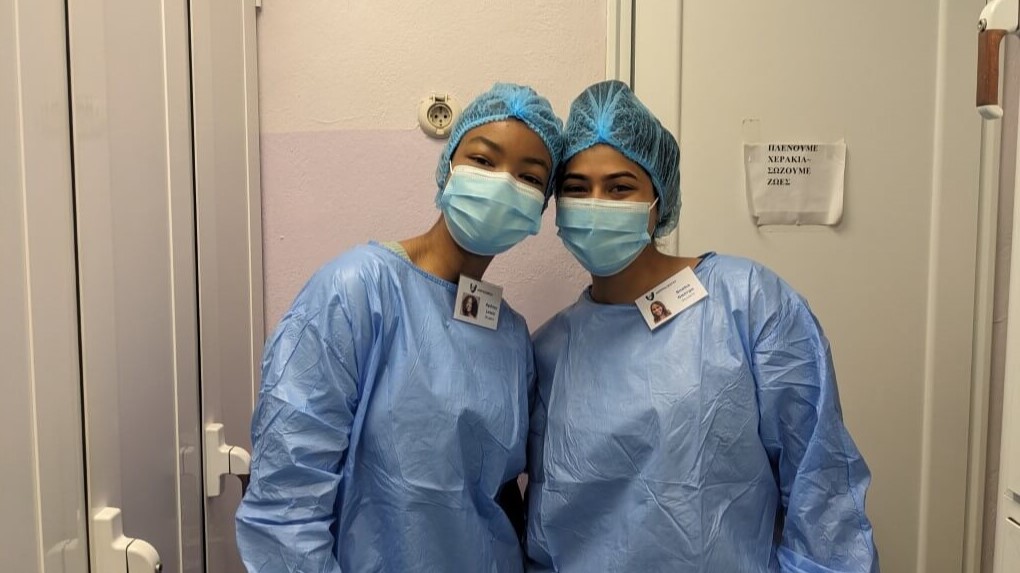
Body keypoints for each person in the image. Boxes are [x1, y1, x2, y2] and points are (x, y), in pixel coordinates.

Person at [525, 81, 879, 572]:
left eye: (621, 187)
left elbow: (821, 487)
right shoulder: (550, 350)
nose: (597, 202)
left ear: (659, 198)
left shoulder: (749, 302)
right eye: (576, 188)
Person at [236, 83, 564, 573]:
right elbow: (286, 499)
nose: (502, 183)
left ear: (541, 208)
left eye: (529, 177)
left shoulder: (510, 336)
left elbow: (500, 494)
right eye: (483, 160)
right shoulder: (356, 290)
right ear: (448, 167)